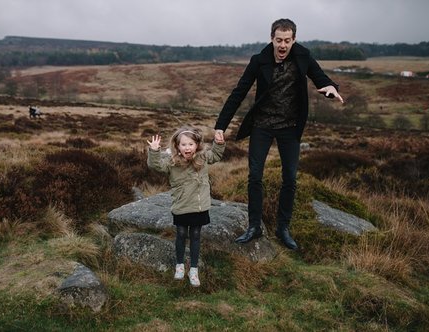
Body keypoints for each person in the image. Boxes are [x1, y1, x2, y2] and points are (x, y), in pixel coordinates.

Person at [214, 18, 344, 250]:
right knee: (255, 176)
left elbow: (319, 77)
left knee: (290, 179)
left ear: (294, 39)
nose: (283, 45)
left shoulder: (302, 56)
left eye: (287, 40)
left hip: (289, 126)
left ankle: (283, 228)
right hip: (262, 125)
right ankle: (254, 226)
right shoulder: (259, 61)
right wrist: (220, 126)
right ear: (271, 39)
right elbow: (239, 92)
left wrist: (331, 88)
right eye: (278, 40)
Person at [147, 126, 225, 287]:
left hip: (199, 206)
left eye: (190, 144)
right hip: (181, 205)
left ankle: (194, 269)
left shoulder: (203, 157)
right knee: (181, 233)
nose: (187, 147)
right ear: (177, 146)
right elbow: (156, 166)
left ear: (197, 145)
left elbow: (216, 155)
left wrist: (219, 143)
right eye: (183, 145)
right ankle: (179, 265)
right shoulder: (172, 161)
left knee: (195, 235)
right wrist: (154, 151)